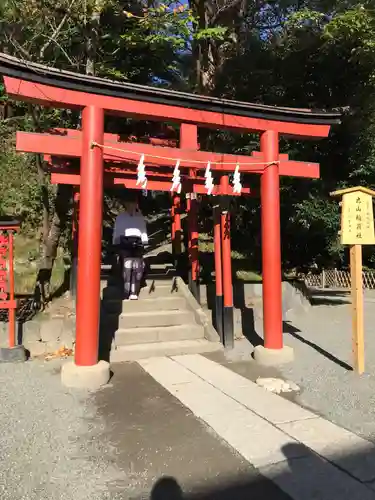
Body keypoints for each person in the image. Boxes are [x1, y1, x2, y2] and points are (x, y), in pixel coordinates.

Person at [113, 197, 148, 300]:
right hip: (124, 242)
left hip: (137, 242)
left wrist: (145, 242)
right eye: (129, 203)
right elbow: (117, 231)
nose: (131, 206)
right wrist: (115, 242)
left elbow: (143, 230)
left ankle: (134, 291)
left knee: (137, 268)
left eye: (133, 203)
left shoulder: (140, 217)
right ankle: (126, 290)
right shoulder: (120, 217)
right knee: (127, 267)